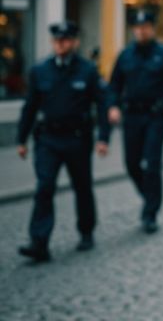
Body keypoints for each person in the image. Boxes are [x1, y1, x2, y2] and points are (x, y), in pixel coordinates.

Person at [15, 22, 111, 262]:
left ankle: (86, 231)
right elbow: (30, 106)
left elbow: (102, 104)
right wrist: (21, 139)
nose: (60, 44)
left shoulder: (87, 70)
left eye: (65, 40)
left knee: (82, 186)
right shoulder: (40, 70)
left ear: (75, 42)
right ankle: (39, 242)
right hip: (48, 138)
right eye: (57, 40)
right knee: (44, 187)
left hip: (77, 139)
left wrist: (103, 138)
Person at [107, 11, 163, 234]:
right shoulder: (125, 56)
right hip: (131, 116)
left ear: (152, 28)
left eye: (146, 26)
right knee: (131, 164)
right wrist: (112, 106)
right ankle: (150, 196)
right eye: (137, 27)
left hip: (155, 116)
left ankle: (150, 213)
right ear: (133, 29)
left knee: (152, 164)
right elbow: (114, 85)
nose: (141, 30)